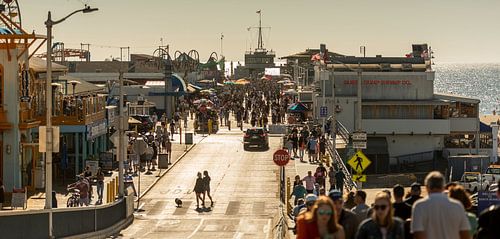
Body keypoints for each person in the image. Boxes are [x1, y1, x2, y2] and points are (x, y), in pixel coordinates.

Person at [411, 171, 470, 239]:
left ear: (427, 187)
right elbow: (465, 234)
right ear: (443, 187)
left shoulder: (419, 206)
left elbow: (418, 235)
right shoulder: (457, 206)